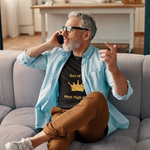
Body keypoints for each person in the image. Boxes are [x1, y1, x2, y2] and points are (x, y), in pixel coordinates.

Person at [5, 11, 133, 150]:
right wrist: (49, 44)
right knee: (56, 146)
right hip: (61, 117)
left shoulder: (102, 59)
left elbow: (122, 94)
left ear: (86, 34)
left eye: (69, 29)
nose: (63, 33)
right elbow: (23, 60)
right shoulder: (56, 55)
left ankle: (33, 142)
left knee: (97, 97)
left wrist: (114, 70)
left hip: (90, 124)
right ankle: (37, 140)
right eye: (63, 28)